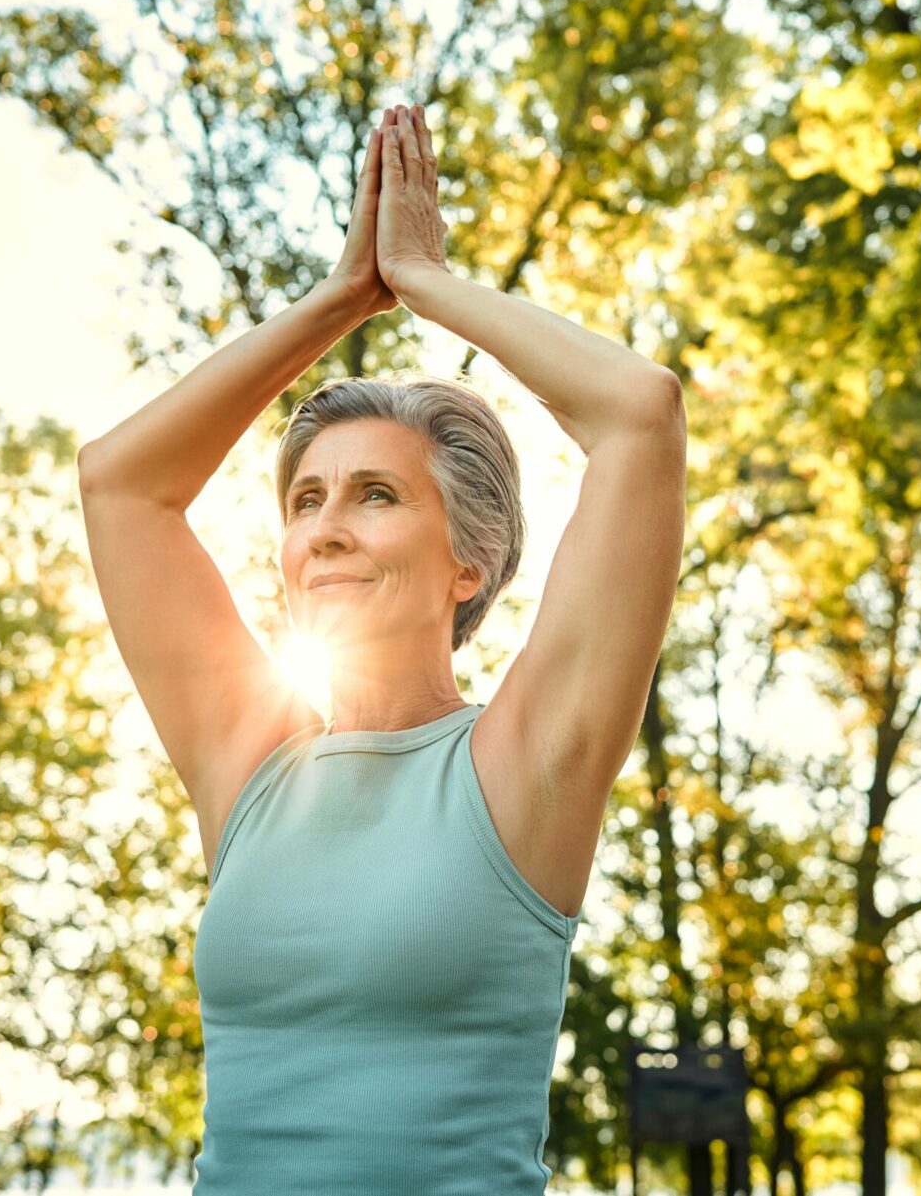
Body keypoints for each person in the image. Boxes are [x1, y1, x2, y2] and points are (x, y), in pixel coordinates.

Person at [76, 102, 686, 1194]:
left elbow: (639, 414)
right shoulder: (249, 764)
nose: (326, 528)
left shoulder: (521, 765)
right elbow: (123, 485)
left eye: (375, 494)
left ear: (469, 562)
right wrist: (339, 296)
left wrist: (424, 279)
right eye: (305, 500)